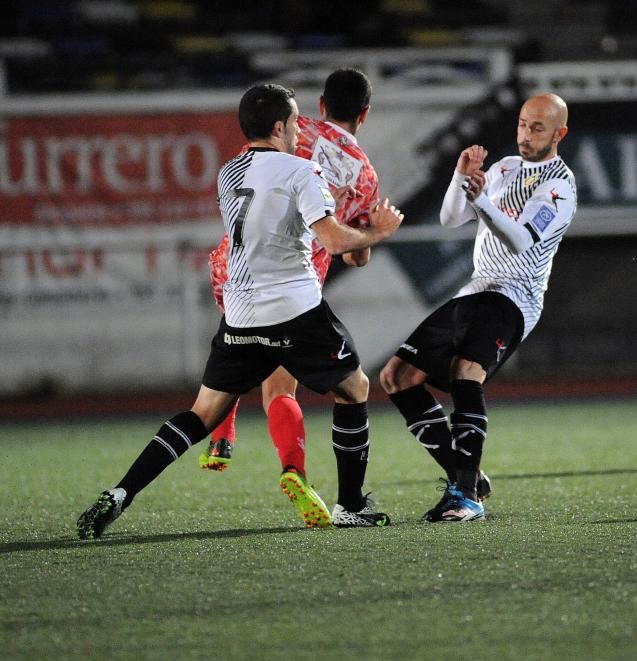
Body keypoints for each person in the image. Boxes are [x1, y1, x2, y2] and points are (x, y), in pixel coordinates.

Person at [77, 83, 403, 539]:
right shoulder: (302, 172)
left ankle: (122, 492)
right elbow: (332, 239)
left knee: (200, 413)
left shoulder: (228, 173)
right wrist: (380, 232)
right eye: (292, 122)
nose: (296, 130)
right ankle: (350, 505)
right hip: (294, 307)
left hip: (241, 311)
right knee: (355, 387)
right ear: (277, 126)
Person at [199, 69, 383, 530]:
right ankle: (294, 471)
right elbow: (355, 254)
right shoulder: (363, 173)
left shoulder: (291, 128)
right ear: (364, 114)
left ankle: (221, 432)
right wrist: (368, 230)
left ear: (320, 105)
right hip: (291, 284)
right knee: (280, 388)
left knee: (234, 353)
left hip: (232, 264)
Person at [379, 93, 577, 521]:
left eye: (537, 128)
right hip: (476, 290)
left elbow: (522, 239)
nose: (525, 133)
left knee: (466, 371)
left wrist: (483, 200)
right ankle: (464, 474)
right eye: (523, 124)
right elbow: (451, 219)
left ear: (559, 134)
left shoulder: (559, 186)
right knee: (396, 376)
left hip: (515, 295)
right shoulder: (505, 168)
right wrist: (460, 177)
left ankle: (465, 497)